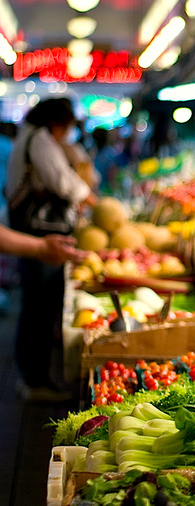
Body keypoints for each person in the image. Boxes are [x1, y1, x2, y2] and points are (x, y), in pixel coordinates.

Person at [6, 97, 97, 402]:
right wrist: (92, 199)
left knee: (35, 306)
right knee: (40, 308)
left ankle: (31, 378)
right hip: (41, 233)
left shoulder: (27, 136)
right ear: (57, 123)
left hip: (31, 232)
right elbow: (63, 182)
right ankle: (35, 381)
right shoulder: (40, 140)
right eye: (67, 126)